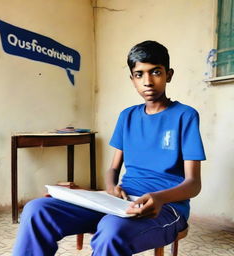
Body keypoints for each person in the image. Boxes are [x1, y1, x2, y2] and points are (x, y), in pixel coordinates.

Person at [13, 40, 206, 256]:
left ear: (168, 75)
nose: (148, 81)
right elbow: (113, 169)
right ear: (132, 79)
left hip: (166, 207)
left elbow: (193, 184)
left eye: (156, 72)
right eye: (139, 74)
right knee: (36, 210)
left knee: (111, 230)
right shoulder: (127, 116)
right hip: (119, 202)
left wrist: (158, 198)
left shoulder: (184, 115)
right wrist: (111, 186)